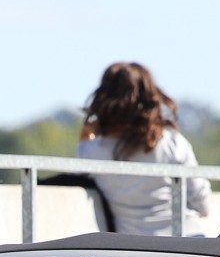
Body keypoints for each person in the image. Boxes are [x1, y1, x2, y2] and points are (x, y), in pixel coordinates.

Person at [77, 62, 212, 236]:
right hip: (187, 239)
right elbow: (203, 204)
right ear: (150, 97)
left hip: (136, 247)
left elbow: (84, 151)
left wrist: (90, 130)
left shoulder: (91, 151)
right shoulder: (173, 144)